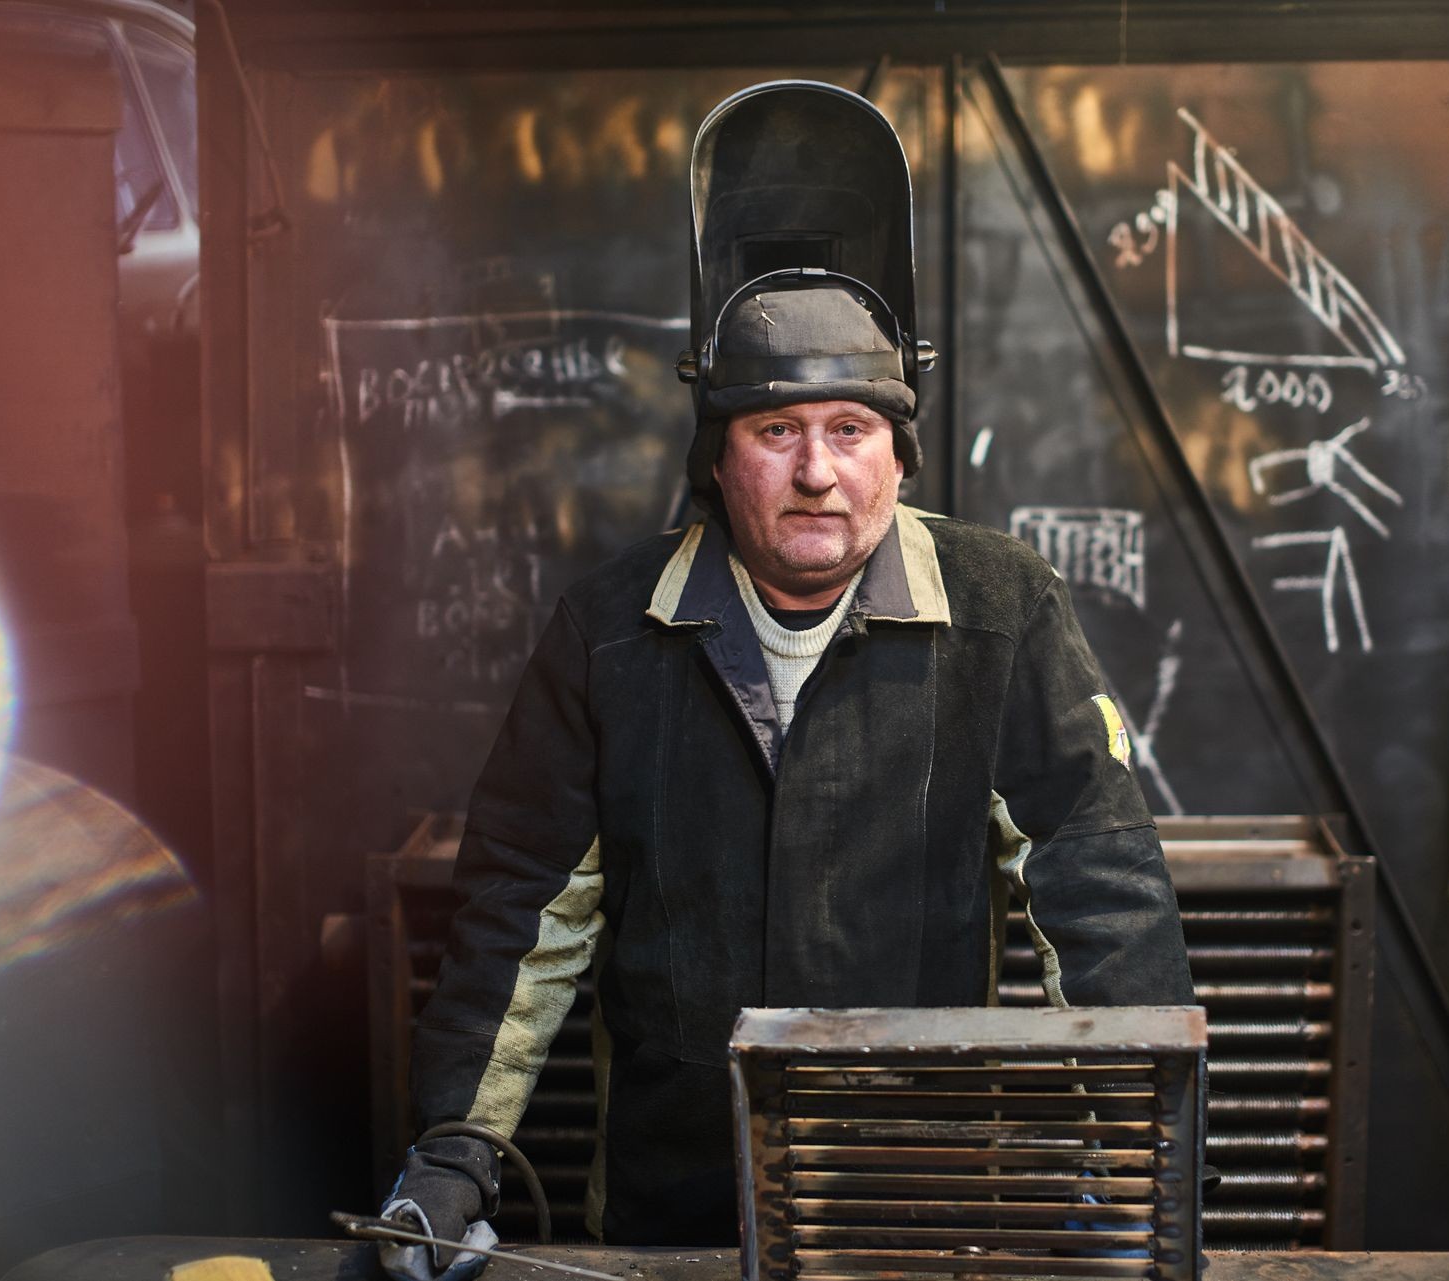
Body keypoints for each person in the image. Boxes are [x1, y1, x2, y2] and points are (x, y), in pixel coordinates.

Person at [379, 82, 1194, 1281]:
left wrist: (1135, 1147)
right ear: (718, 454)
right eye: (775, 432)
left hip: (920, 1194)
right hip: (671, 1201)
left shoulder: (997, 607)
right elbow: (520, 906)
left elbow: (1097, 884)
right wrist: (454, 1147)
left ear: (899, 451)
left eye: (852, 430)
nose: (817, 472)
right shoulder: (610, 632)